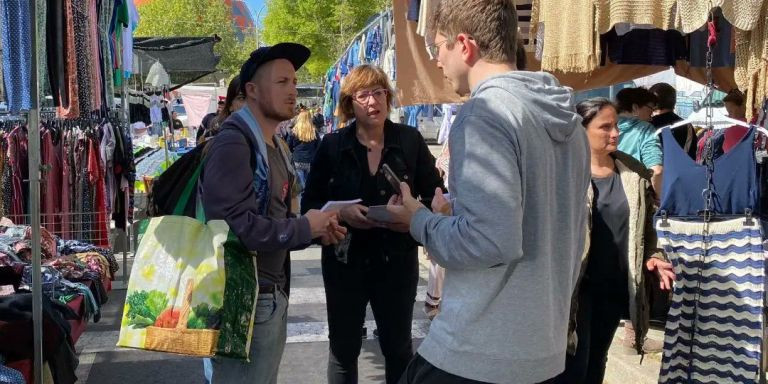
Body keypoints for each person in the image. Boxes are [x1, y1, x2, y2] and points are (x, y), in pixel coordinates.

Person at [386, 1, 591, 382]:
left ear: (465, 45)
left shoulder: (485, 114)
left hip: (478, 350)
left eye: (439, 47)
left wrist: (420, 221)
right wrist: (457, 216)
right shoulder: (570, 122)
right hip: (542, 352)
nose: (436, 61)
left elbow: (489, 241)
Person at [200, 43, 346, 384]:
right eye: (282, 82)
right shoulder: (235, 143)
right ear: (251, 90)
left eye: (294, 82)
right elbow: (236, 228)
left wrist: (314, 229)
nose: (293, 91)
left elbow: (276, 217)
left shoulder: (276, 144)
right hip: (242, 302)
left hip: (268, 297)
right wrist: (304, 228)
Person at [301, 64, 444, 384]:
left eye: (378, 92)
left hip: (396, 260)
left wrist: (410, 217)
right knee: (343, 350)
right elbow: (309, 205)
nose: (372, 100)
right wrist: (340, 215)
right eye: (363, 94)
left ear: (388, 97)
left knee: (397, 348)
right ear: (349, 102)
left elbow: (437, 196)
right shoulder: (332, 145)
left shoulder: (409, 140)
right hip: (344, 260)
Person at [553, 98, 674, 384]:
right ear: (581, 130)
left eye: (616, 126)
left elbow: (646, 227)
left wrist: (654, 255)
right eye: (605, 127)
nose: (615, 133)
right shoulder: (563, 173)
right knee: (573, 365)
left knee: (596, 362)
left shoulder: (631, 172)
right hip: (574, 289)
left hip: (613, 286)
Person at [615, 87, 663, 197]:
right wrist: (658, 198)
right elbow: (656, 171)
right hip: (634, 194)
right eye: (650, 111)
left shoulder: (602, 127)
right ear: (635, 107)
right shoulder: (645, 129)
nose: (651, 118)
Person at [650, 82, 696, 159]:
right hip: (681, 169)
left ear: (653, 103)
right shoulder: (686, 125)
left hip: (653, 170)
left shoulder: (647, 125)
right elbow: (690, 153)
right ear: (674, 100)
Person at [198, 77, 247, 143]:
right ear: (230, 105)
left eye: (255, 97)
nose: (250, 104)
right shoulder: (218, 135)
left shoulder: (261, 134)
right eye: (242, 98)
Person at [286, 109, 320, 192]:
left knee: (300, 186)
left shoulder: (294, 131)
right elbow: (319, 146)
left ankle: (300, 202)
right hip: (310, 160)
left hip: (297, 160)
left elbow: (288, 146)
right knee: (309, 185)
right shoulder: (313, 131)